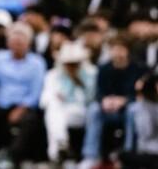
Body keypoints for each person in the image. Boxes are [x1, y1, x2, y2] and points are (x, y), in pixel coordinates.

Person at [0, 22, 47, 168]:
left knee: (30, 120)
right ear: (8, 42)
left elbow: (36, 92)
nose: (17, 42)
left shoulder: (37, 63)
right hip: (0, 103)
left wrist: (22, 108)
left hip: (24, 106)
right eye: (14, 39)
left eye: (21, 39)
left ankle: (11, 157)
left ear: (29, 43)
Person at [81, 35, 145, 165]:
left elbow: (141, 94)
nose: (117, 52)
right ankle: (91, 155)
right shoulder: (103, 68)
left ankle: (127, 154)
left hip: (129, 108)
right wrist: (103, 100)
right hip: (108, 109)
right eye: (114, 49)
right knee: (93, 110)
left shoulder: (139, 68)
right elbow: (98, 92)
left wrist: (125, 100)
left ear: (127, 50)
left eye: (120, 49)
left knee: (133, 110)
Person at [40, 41, 96, 163]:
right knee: (53, 108)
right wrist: (56, 96)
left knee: (55, 115)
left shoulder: (92, 74)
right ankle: (60, 147)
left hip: (85, 113)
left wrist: (78, 83)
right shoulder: (53, 75)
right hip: (62, 113)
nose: (71, 67)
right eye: (68, 64)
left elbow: (93, 99)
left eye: (74, 64)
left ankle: (60, 150)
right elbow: (44, 100)